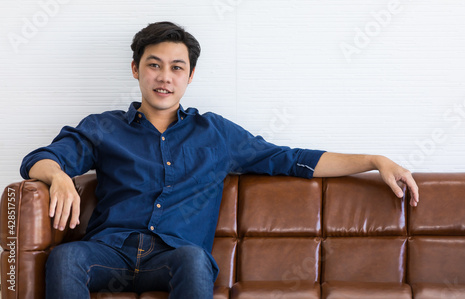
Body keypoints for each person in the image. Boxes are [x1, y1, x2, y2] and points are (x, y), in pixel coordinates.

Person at [20, 21, 419, 299]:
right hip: (109, 252)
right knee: (67, 256)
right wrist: (57, 176)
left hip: (175, 257)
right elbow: (40, 158)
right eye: (154, 65)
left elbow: (290, 159)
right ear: (136, 69)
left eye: (177, 68)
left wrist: (373, 159)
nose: (165, 77)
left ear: (190, 76)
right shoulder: (104, 127)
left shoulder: (216, 134)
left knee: (195, 260)